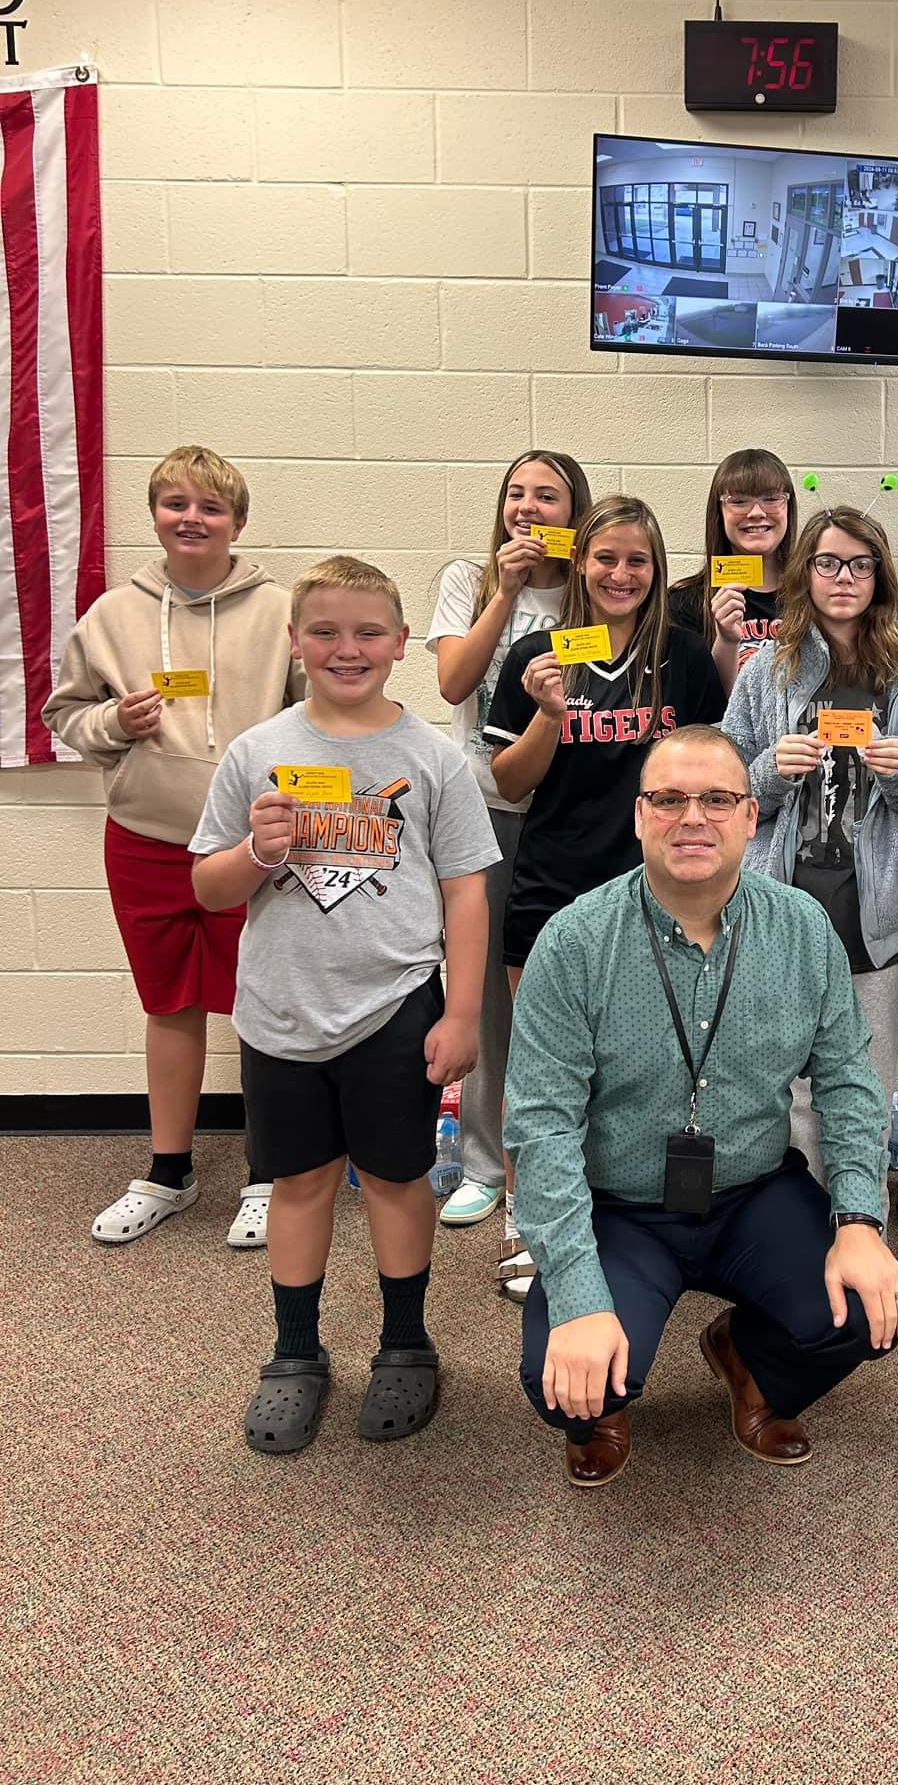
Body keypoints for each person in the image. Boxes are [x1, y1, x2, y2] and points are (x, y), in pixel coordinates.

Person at [505, 723, 898, 1488]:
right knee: (564, 1383)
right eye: (669, 799)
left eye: (718, 800)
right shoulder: (574, 941)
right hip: (619, 1207)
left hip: (753, 1193)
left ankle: (746, 1358)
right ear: (639, 816)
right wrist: (583, 1300)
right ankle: (607, 1404)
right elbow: (541, 1129)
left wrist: (859, 1221)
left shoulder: (801, 929)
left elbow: (850, 1087)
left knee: (867, 1309)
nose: (693, 818)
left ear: (752, 817)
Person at [189, 556, 499, 1453]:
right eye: (324, 631)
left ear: (402, 644)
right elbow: (209, 888)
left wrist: (463, 1012)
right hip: (281, 1011)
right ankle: (295, 1354)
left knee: (400, 1179)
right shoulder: (258, 752)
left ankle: (405, 1342)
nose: (347, 648)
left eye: (368, 632)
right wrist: (256, 851)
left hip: (396, 1004)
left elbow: (467, 892)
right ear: (295, 642)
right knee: (300, 1181)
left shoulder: (433, 759)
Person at [43, 445, 302, 1251]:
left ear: (238, 522)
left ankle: (268, 1174)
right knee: (169, 1005)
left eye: (210, 507)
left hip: (250, 845)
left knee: (260, 1008)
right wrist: (115, 725)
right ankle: (169, 1171)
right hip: (146, 840)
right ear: (154, 513)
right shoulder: (114, 615)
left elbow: (315, 713)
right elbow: (65, 716)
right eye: (175, 503)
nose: (192, 518)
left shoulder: (280, 611)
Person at [483, 497, 726, 1298]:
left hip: (659, 895)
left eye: (639, 561)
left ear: (657, 572)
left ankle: (626, 1215)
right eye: (606, 558)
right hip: (553, 885)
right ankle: (528, 1216)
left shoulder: (684, 659)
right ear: (581, 564)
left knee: (647, 1066)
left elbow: (710, 775)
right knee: (541, 1073)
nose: (621, 574)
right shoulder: (539, 652)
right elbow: (509, 783)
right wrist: (550, 715)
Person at [721, 505, 898, 1183]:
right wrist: (768, 771)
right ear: (806, 573)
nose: (843, 577)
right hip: (780, 909)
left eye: (859, 563)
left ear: (880, 575)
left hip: (873, 912)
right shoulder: (766, 671)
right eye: (827, 562)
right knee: (787, 1090)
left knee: (865, 1092)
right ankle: (797, 1250)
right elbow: (725, 792)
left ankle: (861, 1239)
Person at [425, 449, 591, 1238]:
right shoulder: (468, 577)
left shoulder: (595, 589)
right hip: (478, 813)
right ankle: (487, 1165)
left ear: (573, 510)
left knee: (559, 998)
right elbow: (454, 682)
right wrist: (508, 590)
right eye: (517, 493)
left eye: (548, 495)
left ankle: (561, 1161)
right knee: (484, 994)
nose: (529, 507)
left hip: (564, 815)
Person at [667, 448, 797, 695]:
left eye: (771, 498)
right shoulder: (684, 603)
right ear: (719, 511)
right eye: (739, 501)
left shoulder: (814, 594)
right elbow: (700, 710)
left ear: (788, 505)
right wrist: (726, 642)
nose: (756, 512)